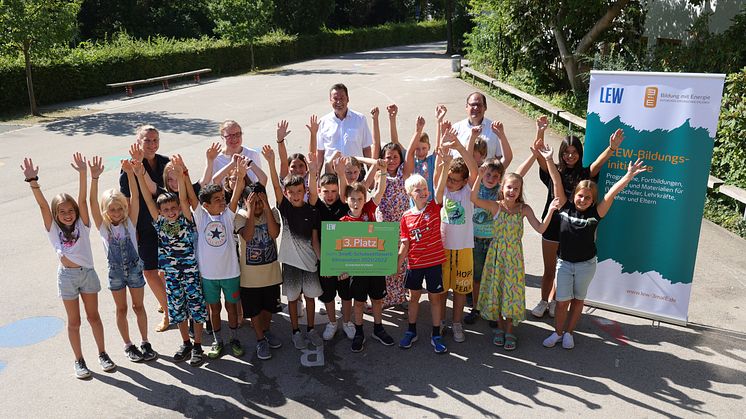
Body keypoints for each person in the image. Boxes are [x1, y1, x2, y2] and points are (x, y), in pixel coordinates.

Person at [539, 145, 646, 349]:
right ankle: (558, 333)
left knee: (578, 300)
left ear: (592, 200)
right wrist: (549, 160)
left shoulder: (595, 214)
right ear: (574, 195)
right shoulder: (563, 206)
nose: (583, 200)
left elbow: (612, 193)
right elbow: (556, 181)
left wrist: (628, 176)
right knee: (562, 302)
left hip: (586, 265)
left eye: (588, 198)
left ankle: (569, 333)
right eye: (580, 196)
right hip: (564, 264)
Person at [23, 154, 116, 379]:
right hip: (67, 277)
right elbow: (43, 205)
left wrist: (85, 174)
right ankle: (79, 360)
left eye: (70, 211)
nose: (67, 215)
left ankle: (102, 354)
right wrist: (33, 181)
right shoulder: (53, 229)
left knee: (94, 317)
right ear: (56, 215)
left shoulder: (83, 225)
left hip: (87, 275)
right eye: (62, 212)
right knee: (74, 322)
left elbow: (83, 200)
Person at [528, 119, 624, 319]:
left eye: (574, 152)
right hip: (552, 225)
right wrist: (540, 132)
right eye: (566, 152)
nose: (570, 156)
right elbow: (538, 154)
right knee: (548, 269)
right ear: (561, 153)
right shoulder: (553, 168)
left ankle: (556, 301)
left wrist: (612, 147)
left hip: (574, 230)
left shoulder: (584, 173)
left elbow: (599, 162)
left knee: (561, 270)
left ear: (579, 154)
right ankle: (544, 301)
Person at [470, 166, 554, 351]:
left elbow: (540, 229)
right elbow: (473, 198)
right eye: (509, 187)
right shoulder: (495, 206)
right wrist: (480, 176)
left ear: (520, 191)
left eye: (516, 189)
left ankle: (510, 331)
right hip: (496, 256)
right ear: (502, 188)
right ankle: (499, 329)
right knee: (498, 291)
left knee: (511, 294)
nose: (512, 191)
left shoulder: (523, 209)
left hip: (514, 259)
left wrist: (551, 210)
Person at [135, 158, 208, 367]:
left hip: (190, 272)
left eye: (173, 208)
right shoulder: (159, 223)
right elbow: (149, 201)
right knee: (178, 310)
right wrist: (140, 175)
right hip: (172, 275)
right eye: (165, 210)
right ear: (161, 212)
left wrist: (181, 174)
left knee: (196, 308)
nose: (170, 212)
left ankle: (198, 346)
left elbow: (184, 200)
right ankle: (185, 343)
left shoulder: (186, 219)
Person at [89, 156, 157, 363]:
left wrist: (129, 173)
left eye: (119, 208)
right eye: (112, 209)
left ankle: (145, 342)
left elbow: (135, 198)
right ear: (105, 210)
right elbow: (91, 202)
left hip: (135, 269)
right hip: (116, 272)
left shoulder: (130, 222)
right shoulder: (103, 227)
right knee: (122, 309)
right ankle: (128, 344)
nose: (116, 212)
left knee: (139, 307)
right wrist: (94, 178)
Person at [262, 144, 323, 350]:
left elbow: (315, 240)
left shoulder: (313, 210)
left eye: (299, 191)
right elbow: (276, 187)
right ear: (286, 194)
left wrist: (324, 261)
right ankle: (296, 332)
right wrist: (271, 162)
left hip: (310, 263)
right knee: (293, 299)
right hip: (290, 263)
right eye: (292, 192)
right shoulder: (285, 208)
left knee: (311, 298)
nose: (296, 195)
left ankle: (311, 330)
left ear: (304, 191)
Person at [193, 155, 247, 360]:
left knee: (231, 307)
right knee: (214, 309)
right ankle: (218, 340)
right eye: (217, 200)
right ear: (205, 205)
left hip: (231, 273)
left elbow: (238, 191)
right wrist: (183, 176)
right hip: (208, 276)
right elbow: (189, 197)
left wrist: (240, 174)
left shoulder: (228, 215)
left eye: (223, 198)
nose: (222, 202)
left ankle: (234, 338)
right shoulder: (200, 217)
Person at [119, 125, 170, 332]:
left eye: (155, 140)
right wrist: (132, 229)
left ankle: (165, 300)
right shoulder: (128, 167)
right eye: (147, 140)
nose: (152, 144)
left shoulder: (165, 162)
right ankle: (169, 312)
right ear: (137, 141)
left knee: (165, 270)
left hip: (167, 223)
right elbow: (128, 200)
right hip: (143, 226)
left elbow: (167, 190)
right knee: (149, 271)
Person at [339, 178, 393, 352]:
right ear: (346, 199)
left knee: (377, 300)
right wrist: (342, 270)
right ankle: (359, 332)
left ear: (365, 199)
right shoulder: (343, 222)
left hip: (375, 267)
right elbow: (339, 251)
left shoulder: (369, 211)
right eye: (352, 199)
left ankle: (378, 328)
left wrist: (383, 172)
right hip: (357, 270)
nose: (356, 203)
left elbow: (380, 191)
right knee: (359, 302)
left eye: (360, 199)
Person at [435, 130, 479, 343]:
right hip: (443, 248)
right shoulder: (442, 190)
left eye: (455, 180)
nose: (451, 183)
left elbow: (474, 170)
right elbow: (439, 175)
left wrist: (460, 147)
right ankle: (441, 321)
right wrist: (444, 156)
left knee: (461, 290)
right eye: (449, 179)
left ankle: (457, 323)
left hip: (463, 248)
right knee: (442, 289)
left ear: (464, 182)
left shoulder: (468, 192)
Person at [397, 172, 448, 354]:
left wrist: (446, 165)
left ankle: (436, 334)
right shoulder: (406, 217)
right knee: (414, 298)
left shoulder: (434, 207)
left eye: (425, 188)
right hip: (415, 265)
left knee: (435, 299)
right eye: (418, 190)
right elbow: (405, 244)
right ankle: (411, 331)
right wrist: (397, 264)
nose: (423, 192)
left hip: (434, 264)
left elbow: (441, 188)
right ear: (410, 193)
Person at [235, 183, 283, 360]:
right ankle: (260, 339)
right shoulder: (240, 216)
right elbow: (247, 236)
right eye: (254, 202)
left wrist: (268, 208)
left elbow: (274, 233)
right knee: (254, 310)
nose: (258, 206)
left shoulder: (272, 212)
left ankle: (267, 331)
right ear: (246, 202)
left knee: (269, 307)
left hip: (271, 274)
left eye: (260, 201)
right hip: (250, 279)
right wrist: (249, 210)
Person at [463, 158, 505, 326]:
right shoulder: (476, 187)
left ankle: (492, 310)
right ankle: (476, 307)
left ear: (500, 178)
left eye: (495, 176)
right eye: (487, 174)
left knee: (493, 278)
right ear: (482, 173)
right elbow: (469, 160)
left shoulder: (501, 192)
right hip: (476, 240)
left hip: (494, 242)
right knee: (477, 277)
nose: (491, 178)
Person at [316, 83, 373, 168]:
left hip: (355, 171)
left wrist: (370, 172)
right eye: (335, 98)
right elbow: (320, 152)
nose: (339, 102)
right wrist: (317, 175)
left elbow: (366, 148)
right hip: (333, 172)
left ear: (348, 99)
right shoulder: (323, 122)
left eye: (342, 98)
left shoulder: (360, 119)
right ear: (330, 100)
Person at [452, 92, 513, 166]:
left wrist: (502, 135)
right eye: (473, 104)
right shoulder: (456, 128)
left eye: (479, 105)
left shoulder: (495, 129)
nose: (476, 108)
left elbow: (502, 159)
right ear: (466, 106)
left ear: (485, 107)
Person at [212, 119, 268, 186]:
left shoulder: (253, 154)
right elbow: (213, 185)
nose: (234, 138)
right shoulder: (216, 159)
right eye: (229, 136)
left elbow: (259, 182)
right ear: (222, 137)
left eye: (237, 134)